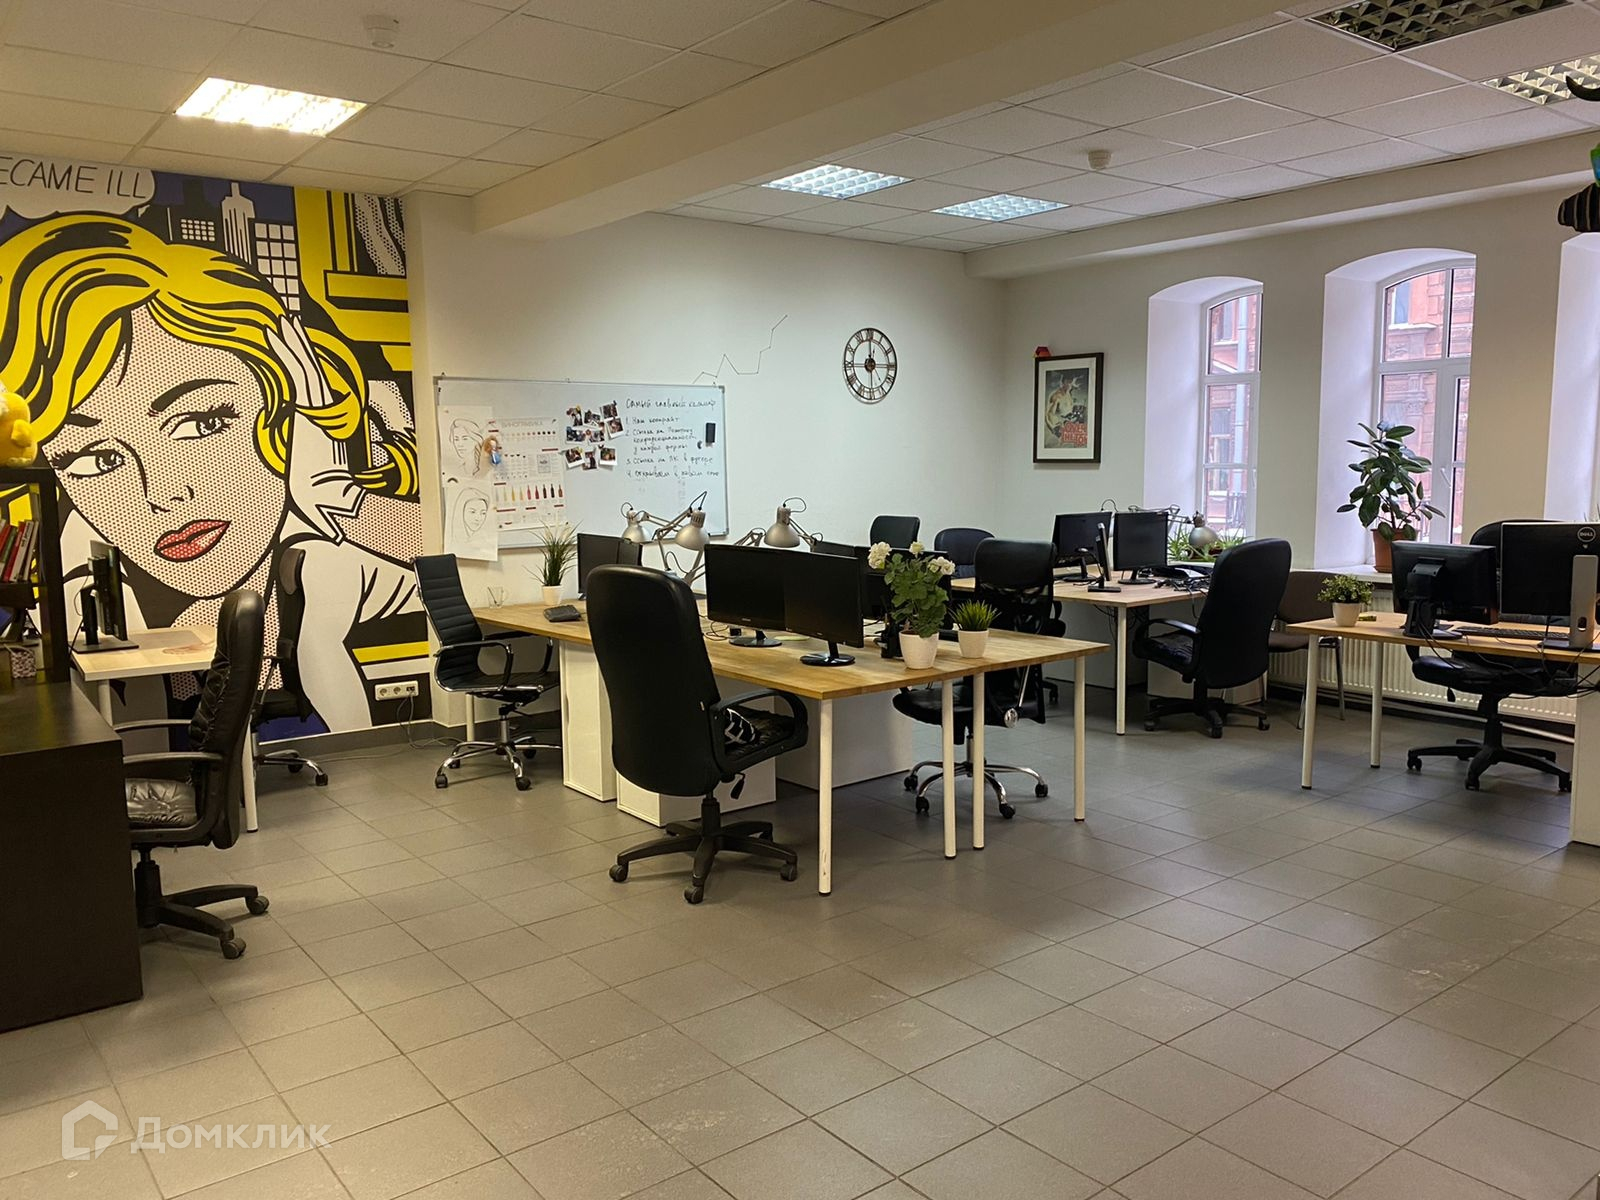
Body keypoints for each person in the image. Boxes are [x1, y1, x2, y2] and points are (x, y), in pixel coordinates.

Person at [0, 214, 423, 731]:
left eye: (202, 422)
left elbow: (424, 555)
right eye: (99, 460)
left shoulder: (333, 553)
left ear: (277, 412)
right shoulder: (91, 567)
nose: (163, 494)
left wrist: (320, 435)